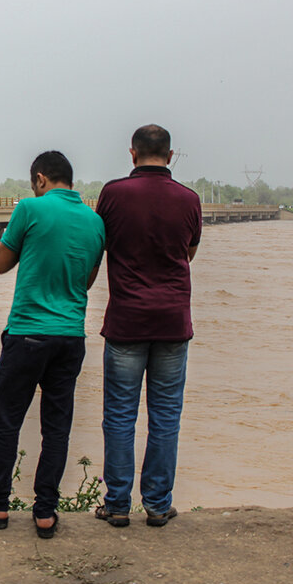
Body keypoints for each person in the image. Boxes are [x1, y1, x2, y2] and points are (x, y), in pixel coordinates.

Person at [0, 151, 104, 538]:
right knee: (57, 428)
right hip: (69, 336)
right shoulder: (96, 221)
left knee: (6, 422)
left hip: (27, 333)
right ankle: (45, 513)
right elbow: (87, 281)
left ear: (40, 178)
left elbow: (0, 263)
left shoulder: (29, 209)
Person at [94, 124, 202, 528]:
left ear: (132, 154)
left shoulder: (114, 194)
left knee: (120, 415)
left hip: (126, 321)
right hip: (174, 321)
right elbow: (189, 252)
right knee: (166, 415)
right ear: (170, 156)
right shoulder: (189, 199)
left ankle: (117, 505)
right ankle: (157, 504)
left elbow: (99, 241)